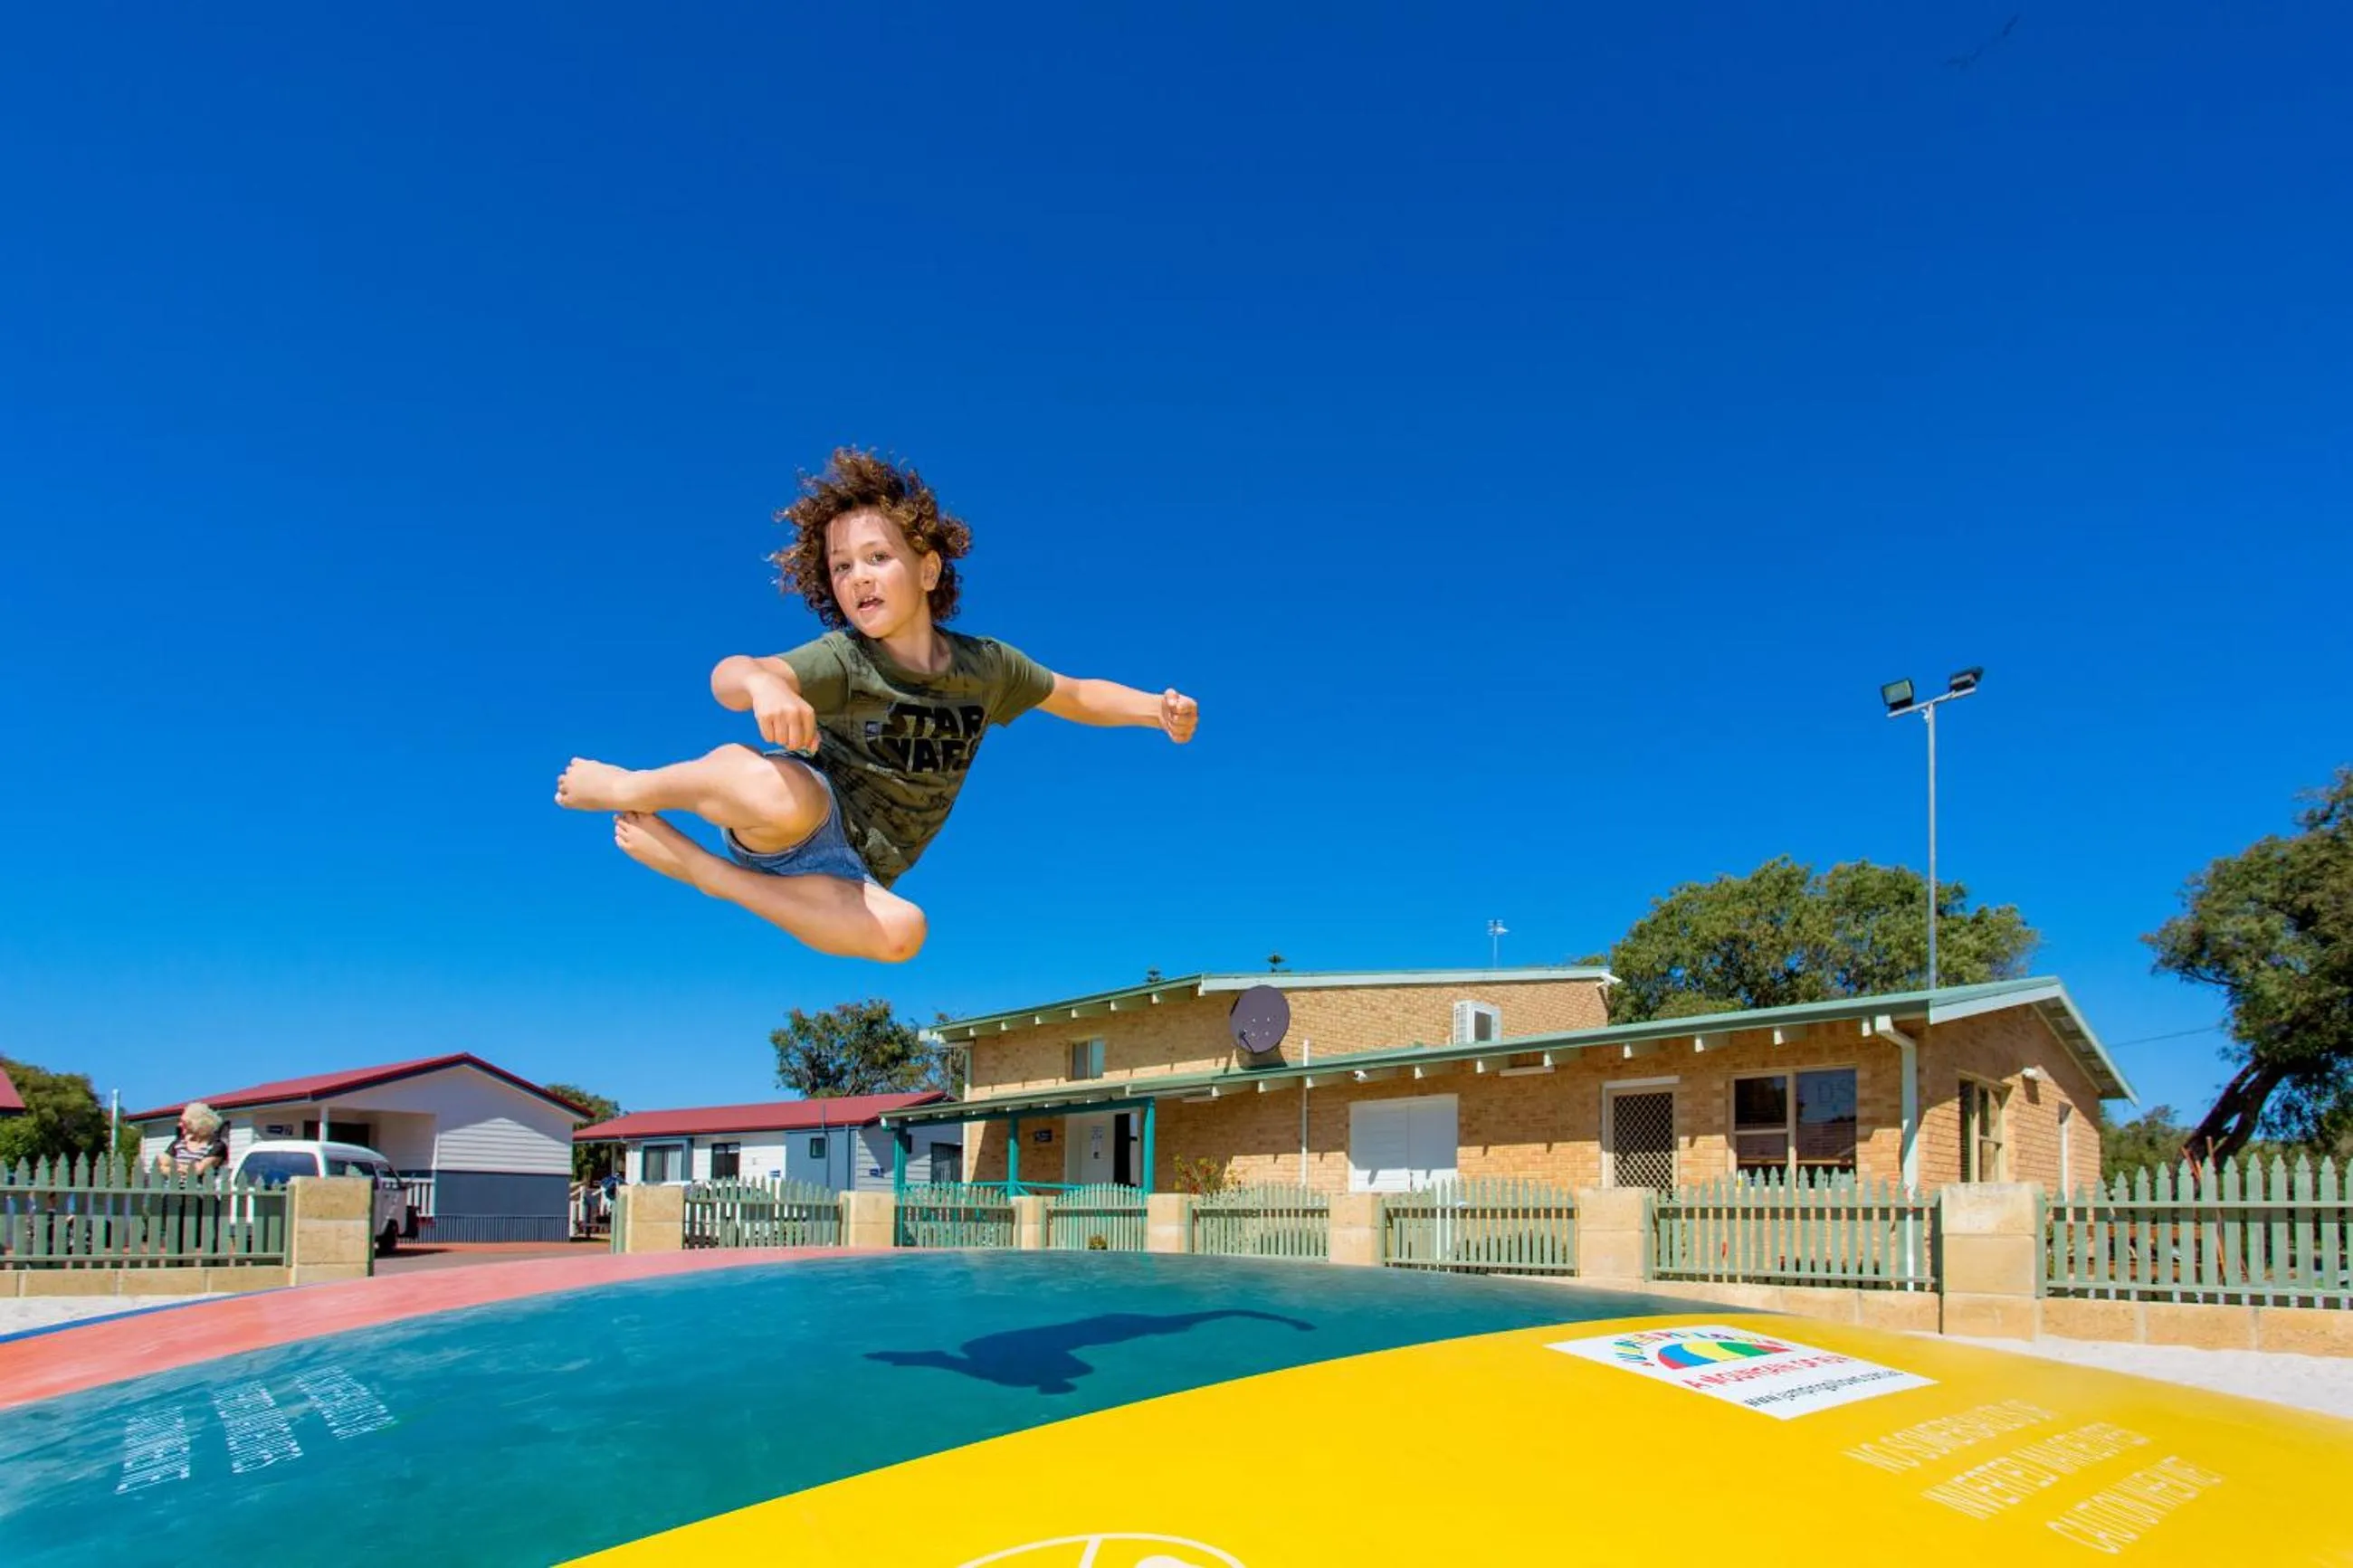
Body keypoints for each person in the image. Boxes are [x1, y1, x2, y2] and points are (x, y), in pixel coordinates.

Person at [555, 448, 1198, 963]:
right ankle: (629, 784)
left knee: (904, 932)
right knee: (766, 784)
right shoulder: (845, 659)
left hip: (853, 875)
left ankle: (701, 869)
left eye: (877, 557)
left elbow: (1076, 694)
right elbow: (733, 674)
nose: (857, 576)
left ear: (927, 570)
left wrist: (1154, 710)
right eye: (841, 567)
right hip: (808, 814)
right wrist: (767, 685)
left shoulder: (988, 667)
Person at [163, 1102, 229, 1177]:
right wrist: (184, 1169)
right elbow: (161, 1165)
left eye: (183, 1122)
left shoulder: (216, 1146)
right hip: (173, 1188)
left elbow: (199, 1171)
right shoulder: (178, 1143)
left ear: (198, 1124)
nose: (179, 1125)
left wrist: (174, 1167)